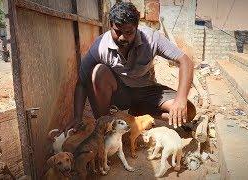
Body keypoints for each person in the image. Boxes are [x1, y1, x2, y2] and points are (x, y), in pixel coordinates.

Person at [64, 2, 196, 134]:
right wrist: (77, 117)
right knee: (98, 72)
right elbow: (81, 83)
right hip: (120, 93)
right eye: (117, 31)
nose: (122, 37)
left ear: (137, 27)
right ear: (110, 25)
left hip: (147, 91)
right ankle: (105, 123)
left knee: (187, 112)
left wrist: (181, 99)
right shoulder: (100, 46)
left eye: (128, 32)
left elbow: (185, 61)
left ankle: (139, 113)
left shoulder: (151, 39)